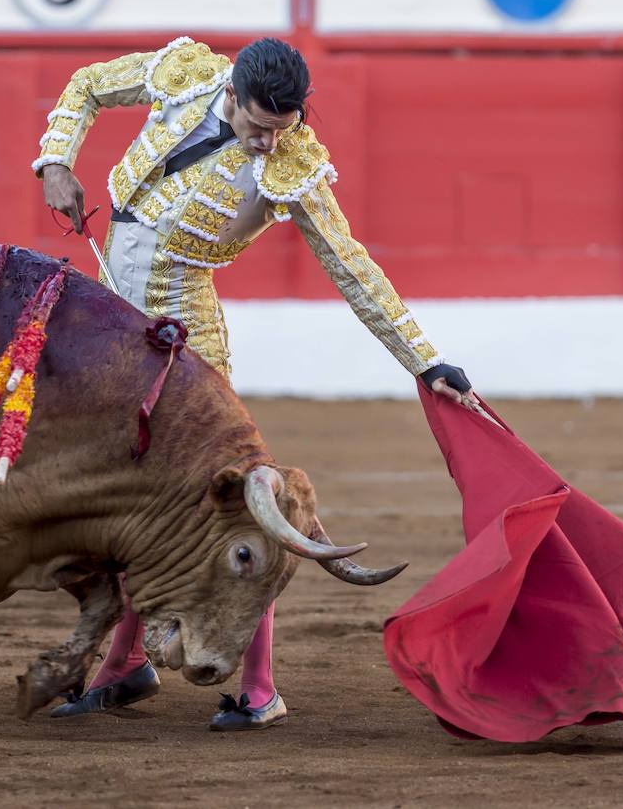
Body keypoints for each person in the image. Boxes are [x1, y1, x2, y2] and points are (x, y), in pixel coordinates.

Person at [34, 36, 479, 732]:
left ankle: (260, 688)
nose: (269, 143)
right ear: (232, 94)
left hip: (188, 336)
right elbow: (89, 84)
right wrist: (57, 159)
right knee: (125, 497)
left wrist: (425, 361)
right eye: (257, 127)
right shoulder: (186, 74)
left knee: (236, 508)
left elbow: (351, 266)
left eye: (283, 128)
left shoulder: (294, 165)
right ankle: (126, 666)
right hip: (113, 316)